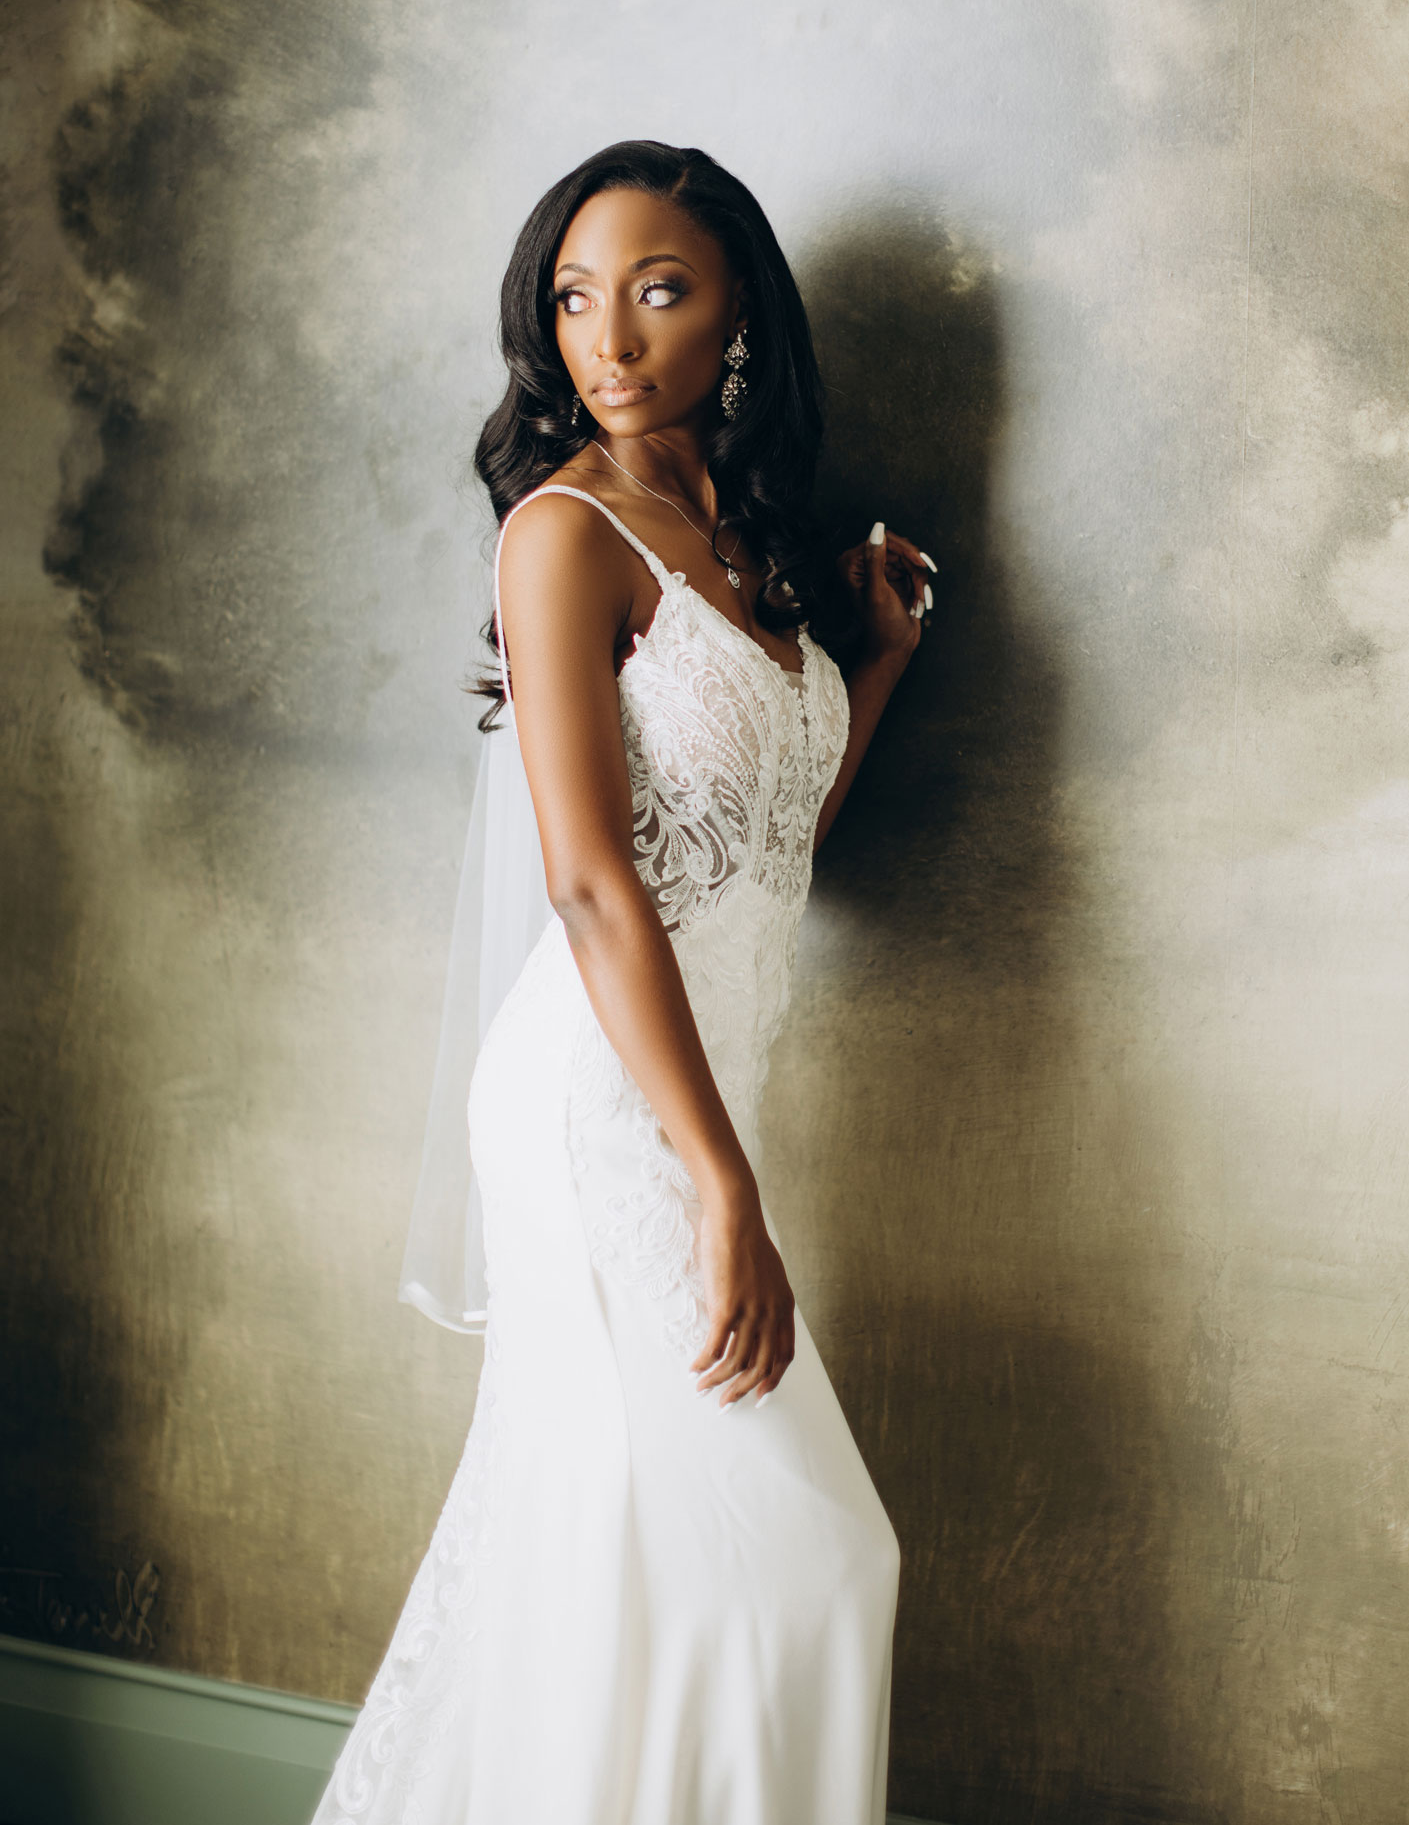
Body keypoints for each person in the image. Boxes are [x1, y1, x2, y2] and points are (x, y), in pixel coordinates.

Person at [312, 140, 933, 1825]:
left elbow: (766, 838)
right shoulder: (563, 530)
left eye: (658, 288)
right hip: (600, 1106)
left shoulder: (743, 533)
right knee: (797, 1554)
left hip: (683, 1094)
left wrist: (869, 663)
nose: (611, 334)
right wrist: (718, 1178)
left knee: (647, 1563)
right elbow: (590, 885)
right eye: (576, 295)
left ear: (738, 314)